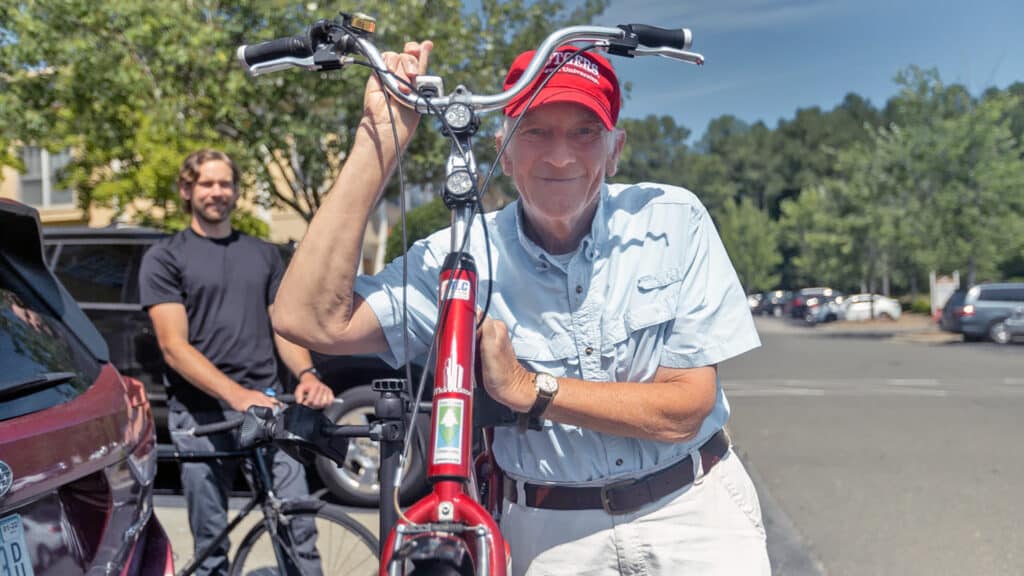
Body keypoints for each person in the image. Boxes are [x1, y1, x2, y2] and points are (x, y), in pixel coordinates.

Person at [273, 41, 770, 575]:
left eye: (584, 132)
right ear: (503, 149)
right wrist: (379, 140)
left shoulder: (671, 220)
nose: (561, 155)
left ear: (615, 148)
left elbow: (684, 409)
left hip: (692, 511)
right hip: (549, 533)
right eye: (536, 131)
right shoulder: (458, 253)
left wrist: (526, 389)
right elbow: (309, 319)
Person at [139, 149, 334, 576]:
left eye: (225, 183)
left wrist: (305, 373)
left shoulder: (262, 255)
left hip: (266, 409)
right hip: (201, 415)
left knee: (296, 522)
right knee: (211, 540)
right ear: (187, 190)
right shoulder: (165, 257)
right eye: (207, 184)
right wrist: (235, 395)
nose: (217, 192)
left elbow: (282, 327)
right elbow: (174, 346)